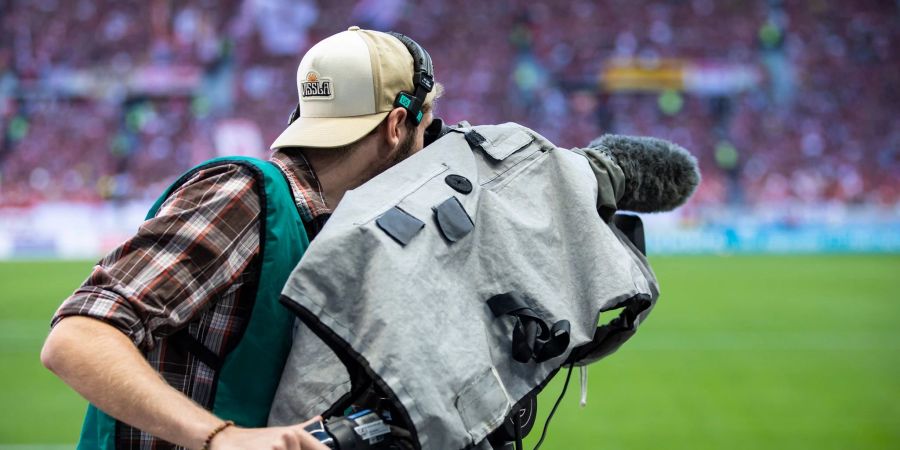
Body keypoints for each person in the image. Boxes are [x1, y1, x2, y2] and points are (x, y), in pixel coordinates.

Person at [40, 26, 441, 450]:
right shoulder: (246, 195)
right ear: (397, 125)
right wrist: (223, 438)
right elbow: (77, 336)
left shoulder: (322, 226)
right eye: (426, 130)